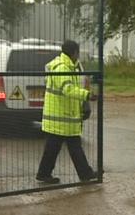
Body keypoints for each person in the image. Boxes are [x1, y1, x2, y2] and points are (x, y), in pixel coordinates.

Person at [36, 40, 97, 184]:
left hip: (64, 118)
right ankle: (84, 174)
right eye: (78, 53)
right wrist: (86, 95)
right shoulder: (61, 68)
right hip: (60, 118)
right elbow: (67, 89)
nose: (79, 56)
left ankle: (83, 174)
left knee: (62, 147)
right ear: (74, 52)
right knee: (64, 147)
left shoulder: (69, 67)